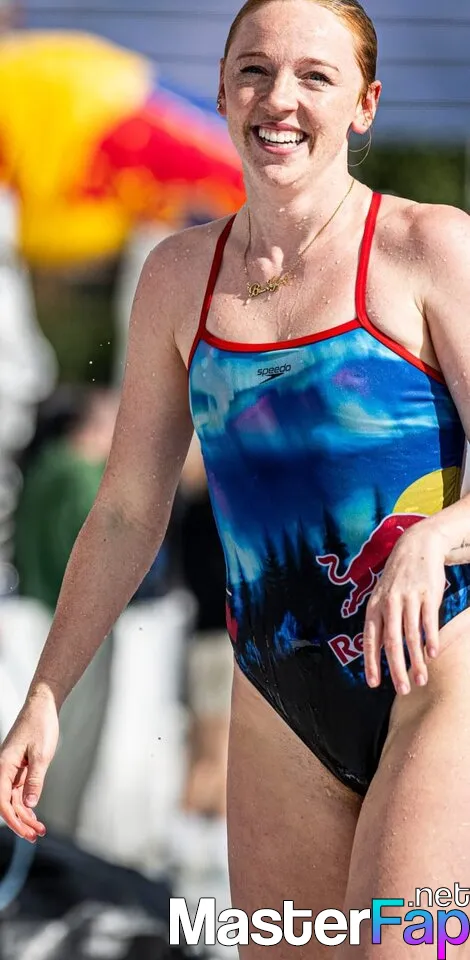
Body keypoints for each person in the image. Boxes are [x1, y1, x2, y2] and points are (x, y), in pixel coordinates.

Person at [1, 0, 470, 956]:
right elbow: (128, 510)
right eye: (253, 70)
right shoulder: (179, 277)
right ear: (221, 92)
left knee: (410, 946)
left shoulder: (428, 247)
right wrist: (46, 693)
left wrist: (438, 536)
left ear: (366, 105)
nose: (278, 98)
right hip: (278, 703)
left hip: (440, 679)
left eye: (315, 76)